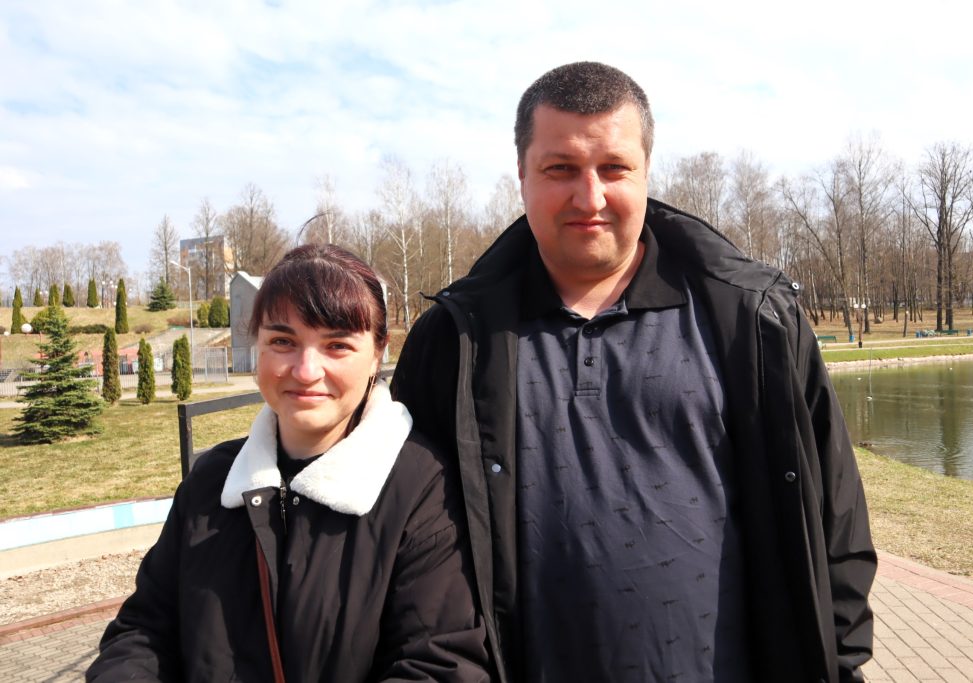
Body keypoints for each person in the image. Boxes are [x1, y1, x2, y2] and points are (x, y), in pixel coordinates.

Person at [391, 62, 876, 682]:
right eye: (560, 169)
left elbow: (835, 518)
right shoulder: (454, 342)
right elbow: (408, 544)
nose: (589, 198)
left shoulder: (752, 320)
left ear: (646, 170)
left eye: (613, 168)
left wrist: (838, 664)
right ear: (522, 174)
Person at [88, 245, 489, 682]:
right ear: (257, 344)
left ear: (378, 353)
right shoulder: (211, 482)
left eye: (337, 345)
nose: (305, 370)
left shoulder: (421, 487)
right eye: (283, 342)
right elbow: (143, 632)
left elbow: (439, 665)